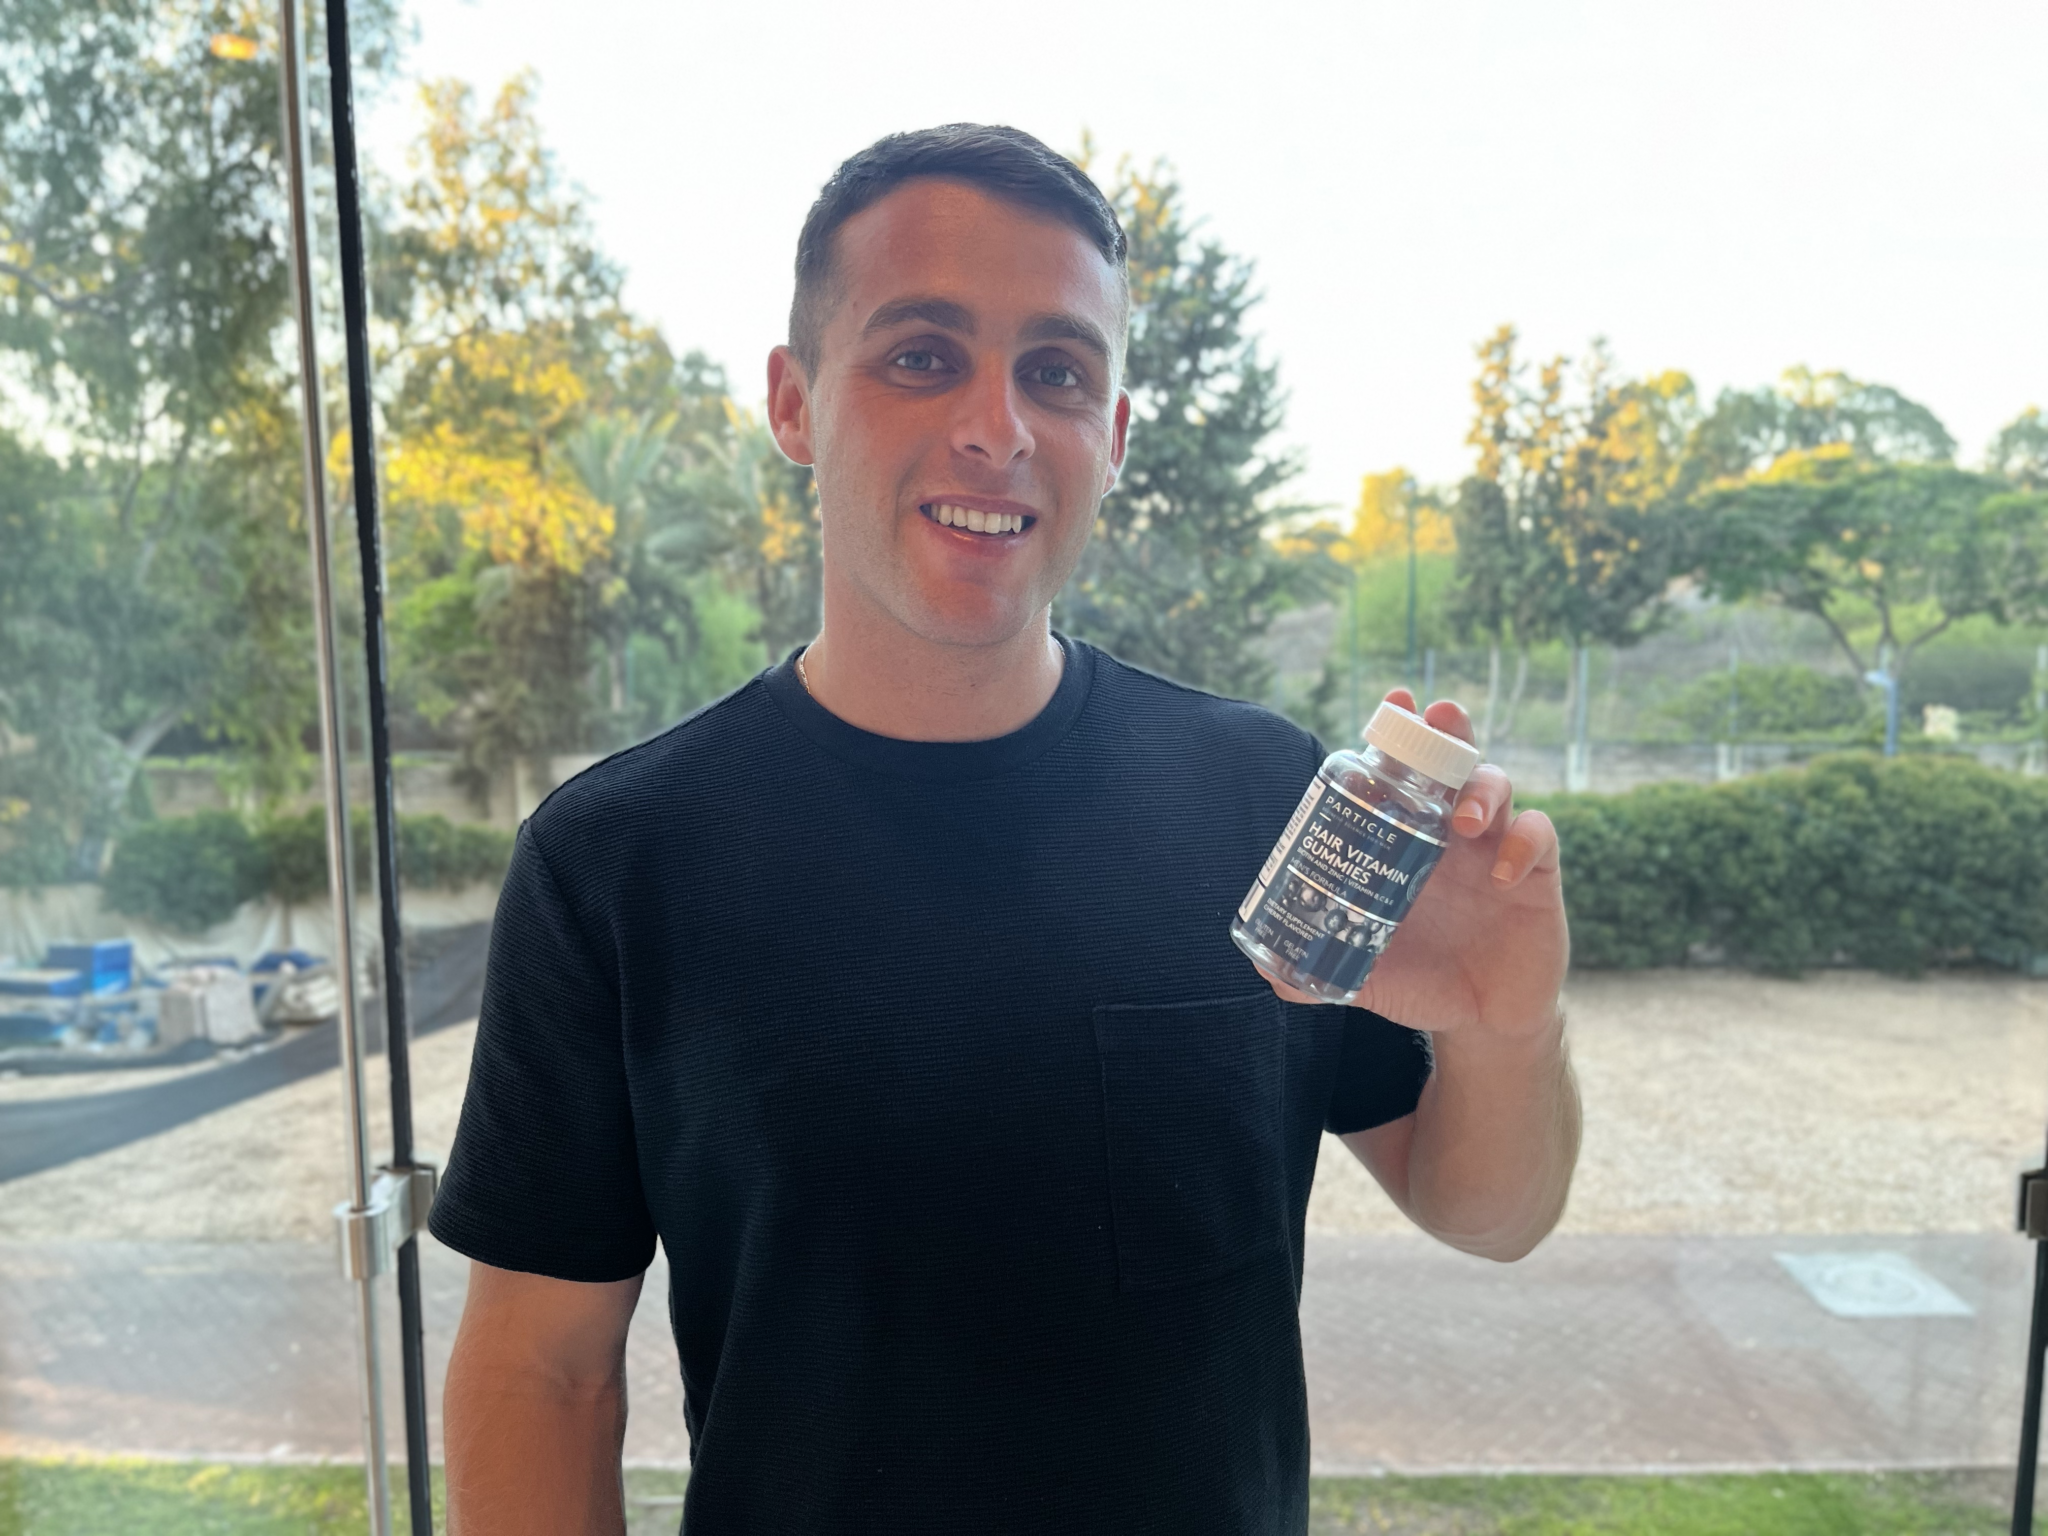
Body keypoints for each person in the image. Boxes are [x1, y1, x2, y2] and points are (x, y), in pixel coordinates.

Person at [431, 122, 1579, 1535]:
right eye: (922, 355)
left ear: (1113, 435)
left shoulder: (1272, 812)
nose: (999, 426)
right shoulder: (618, 863)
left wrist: (1503, 1032)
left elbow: (1491, 1213)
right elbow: (543, 1372)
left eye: (1058, 371)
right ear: (794, 404)